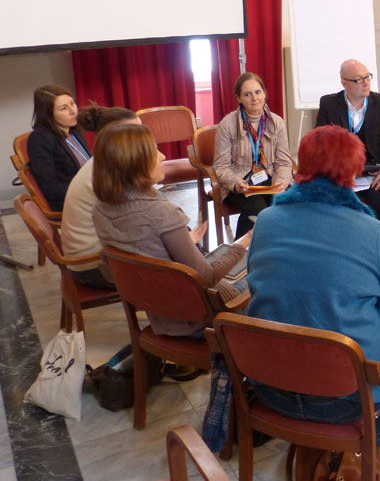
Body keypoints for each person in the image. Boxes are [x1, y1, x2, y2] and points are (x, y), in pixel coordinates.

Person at [246, 125, 380, 467]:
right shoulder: (371, 231)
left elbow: (259, 285)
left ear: (302, 167)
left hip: (269, 385)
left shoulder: (266, 219)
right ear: (353, 172)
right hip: (344, 398)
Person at [92, 123, 250, 337]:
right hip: (199, 322)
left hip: (158, 314)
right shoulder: (161, 213)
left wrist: (182, 241)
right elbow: (208, 277)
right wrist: (245, 241)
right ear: (135, 163)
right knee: (268, 278)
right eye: (154, 151)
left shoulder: (101, 209)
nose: (163, 156)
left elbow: (139, 254)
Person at [315, 59, 380, 226]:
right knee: (331, 203)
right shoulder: (329, 104)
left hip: (374, 175)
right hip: (340, 175)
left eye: (368, 77)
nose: (366, 83)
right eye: (359, 80)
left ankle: (376, 246)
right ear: (344, 83)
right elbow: (319, 144)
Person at [61, 106, 140, 290]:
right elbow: (138, 221)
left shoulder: (104, 160)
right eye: (133, 133)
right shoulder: (110, 171)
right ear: (112, 138)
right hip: (93, 266)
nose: (144, 138)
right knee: (178, 273)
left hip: (97, 256)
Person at [213, 72, 293, 240]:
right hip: (242, 182)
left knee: (291, 202)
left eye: (258, 92)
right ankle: (239, 257)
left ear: (264, 93)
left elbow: (284, 161)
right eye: (247, 94)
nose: (254, 98)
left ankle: (283, 252)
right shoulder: (227, 125)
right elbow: (220, 166)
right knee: (256, 209)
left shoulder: (276, 122)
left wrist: (281, 183)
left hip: (271, 177)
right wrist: (235, 183)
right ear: (238, 98)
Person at [27, 85, 91, 211]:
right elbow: (50, 188)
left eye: (72, 104)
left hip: (89, 193)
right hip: (71, 203)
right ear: (48, 114)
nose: (73, 111)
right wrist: (90, 189)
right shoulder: (39, 140)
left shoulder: (75, 130)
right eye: (63, 108)